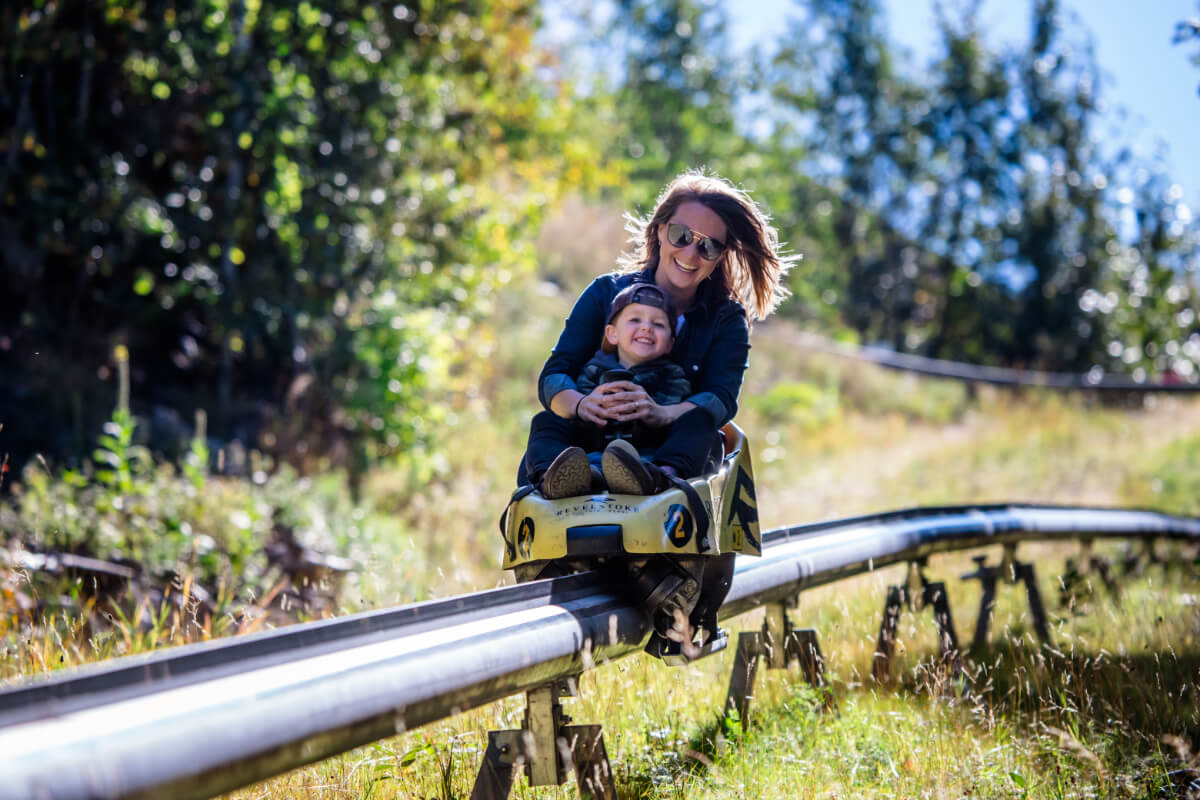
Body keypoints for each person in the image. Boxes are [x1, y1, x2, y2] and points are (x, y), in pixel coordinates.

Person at [520, 169, 795, 496]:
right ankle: (559, 479)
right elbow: (554, 375)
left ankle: (654, 477)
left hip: (665, 446)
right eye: (681, 235)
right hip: (586, 437)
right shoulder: (604, 292)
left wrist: (661, 412)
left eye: (708, 246)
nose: (691, 253)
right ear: (660, 230)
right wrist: (582, 405)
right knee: (546, 422)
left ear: (721, 255)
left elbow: (720, 400)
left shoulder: (726, 318)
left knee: (703, 426)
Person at [534, 282, 693, 499]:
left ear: (669, 344)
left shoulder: (673, 376)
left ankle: (662, 477)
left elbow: (674, 404)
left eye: (658, 324)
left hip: (647, 456)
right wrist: (587, 405)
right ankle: (552, 478)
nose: (646, 327)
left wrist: (653, 409)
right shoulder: (593, 370)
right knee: (546, 421)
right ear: (612, 334)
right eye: (635, 320)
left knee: (697, 419)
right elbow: (580, 405)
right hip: (591, 449)